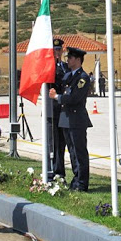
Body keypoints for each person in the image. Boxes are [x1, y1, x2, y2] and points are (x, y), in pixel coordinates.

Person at [49, 47, 92, 191]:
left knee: (79, 152)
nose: (68, 60)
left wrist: (57, 97)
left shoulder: (83, 78)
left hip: (76, 119)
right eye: (67, 57)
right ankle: (76, 180)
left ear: (78, 60)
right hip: (66, 119)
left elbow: (73, 98)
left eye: (71, 58)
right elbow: (57, 80)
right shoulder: (69, 76)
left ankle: (81, 183)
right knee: (72, 152)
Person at [48, 38, 69, 181]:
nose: (57, 52)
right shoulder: (48, 68)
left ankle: (61, 171)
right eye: (55, 50)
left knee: (63, 142)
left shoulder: (67, 67)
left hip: (65, 109)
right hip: (52, 109)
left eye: (59, 50)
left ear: (62, 50)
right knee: (53, 142)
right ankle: (53, 170)